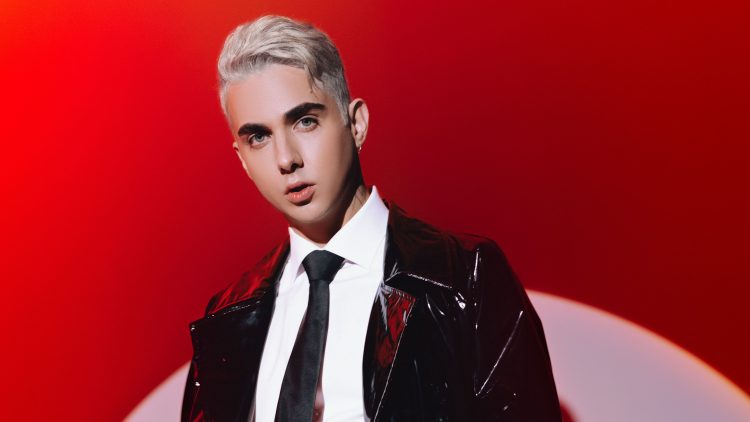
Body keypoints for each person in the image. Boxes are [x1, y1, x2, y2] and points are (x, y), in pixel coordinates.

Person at [181, 15, 561, 422]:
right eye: (259, 137)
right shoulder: (229, 316)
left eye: (305, 121)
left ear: (356, 123)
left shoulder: (464, 278)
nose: (286, 158)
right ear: (241, 159)